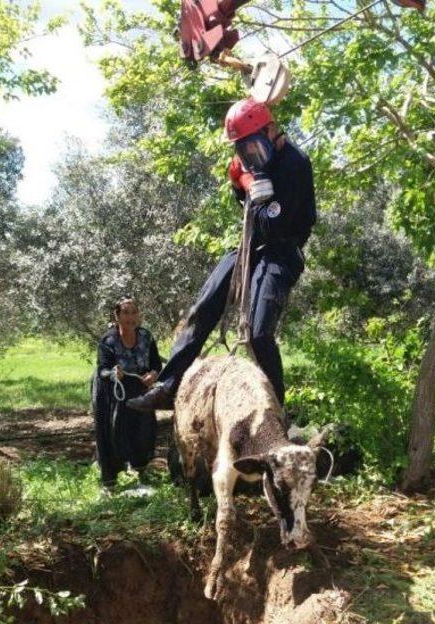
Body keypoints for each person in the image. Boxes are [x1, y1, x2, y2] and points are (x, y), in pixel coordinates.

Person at [127, 96, 316, 413]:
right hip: (251, 246)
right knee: (204, 306)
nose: (250, 157)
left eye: (253, 148)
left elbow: (273, 224)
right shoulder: (257, 164)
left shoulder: (295, 165)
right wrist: (241, 184)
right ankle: (168, 386)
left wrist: (252, 192)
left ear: (271, 131)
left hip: (282, 251)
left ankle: (275, 409)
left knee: (258, 333)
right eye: (243, 151)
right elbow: (250, 207)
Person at [91, 297, 162, 486]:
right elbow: (102, 370)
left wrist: (153, 374)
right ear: (117, 316)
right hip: (114, 392)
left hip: (140, 388)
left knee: (143, 431)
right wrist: (114, 374)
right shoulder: (109, 340)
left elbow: (156, 363)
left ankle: (141, 472)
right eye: (126, 313)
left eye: (134, 312)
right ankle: (110, 480)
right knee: (114, 433)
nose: (131, 317)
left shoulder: (146, 337)